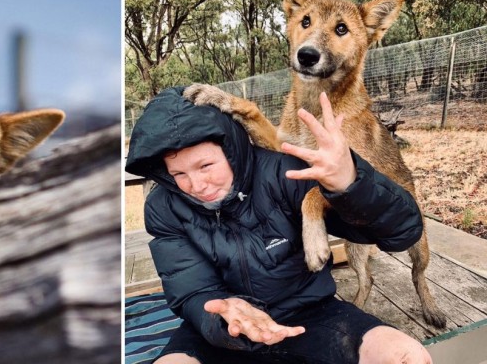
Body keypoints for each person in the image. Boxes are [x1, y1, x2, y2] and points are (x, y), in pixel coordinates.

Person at [125, 86, 432, 364]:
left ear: (230, 147)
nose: (196, 184)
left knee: (406, 356)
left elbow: (401, 231)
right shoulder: (164, 206)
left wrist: (350, 184)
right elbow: (191, 290)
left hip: (312, 315)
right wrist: (224, 314)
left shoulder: (284, 173)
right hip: (226, 329)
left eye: (205, 166)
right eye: (178, 174)